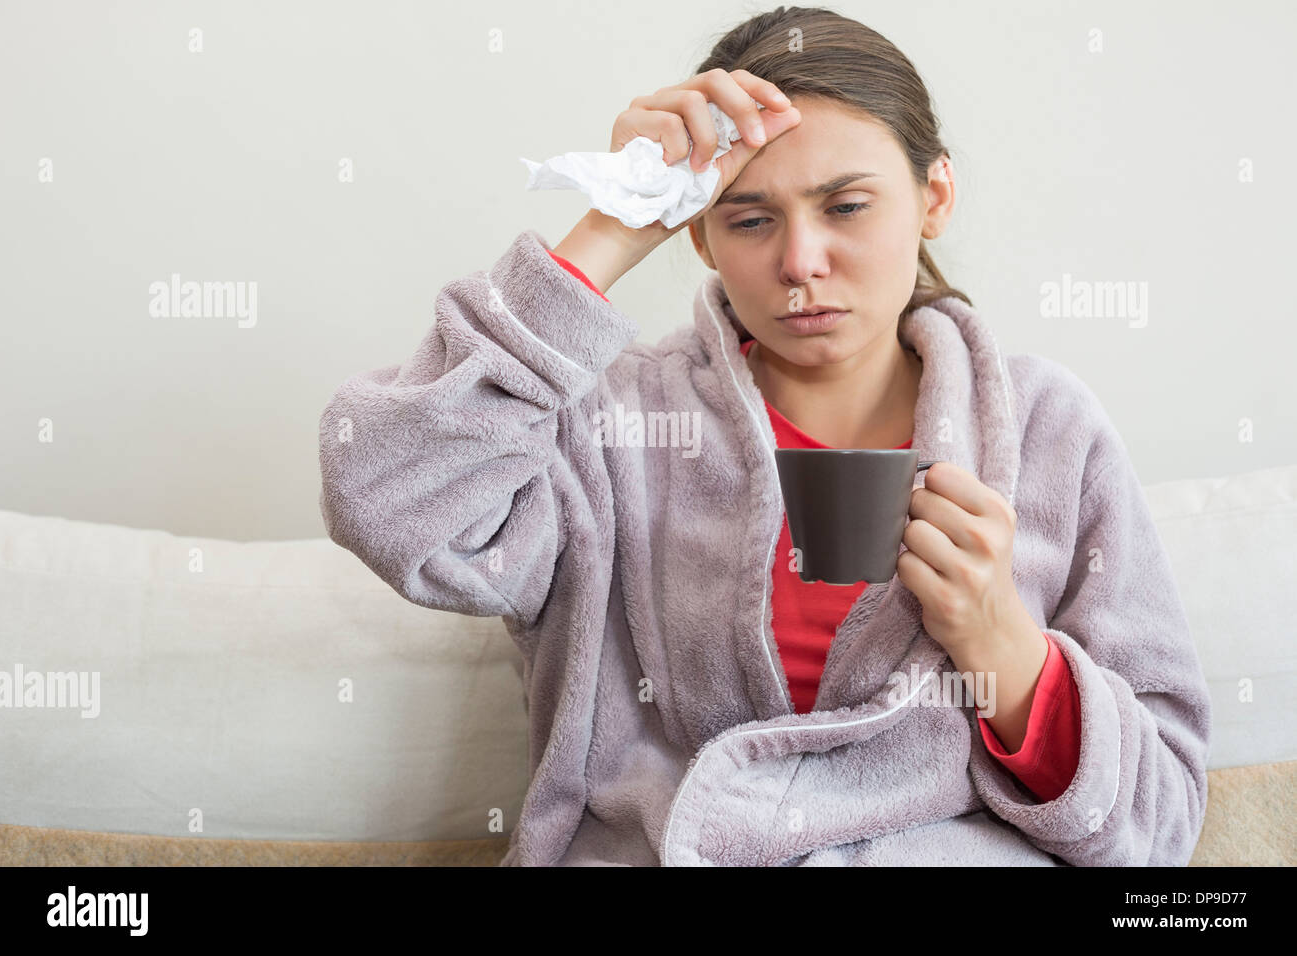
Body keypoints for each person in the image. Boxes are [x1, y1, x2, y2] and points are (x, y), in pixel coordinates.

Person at [318, 6, 1211, 866]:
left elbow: (1160, 824)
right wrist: (612, 224)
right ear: (701, 236)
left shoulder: (1048, 430)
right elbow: (396, 503)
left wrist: (1004, 647)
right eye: (749, 219)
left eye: (847, 206)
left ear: (934, 194)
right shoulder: (613, 427)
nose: (800, 262)